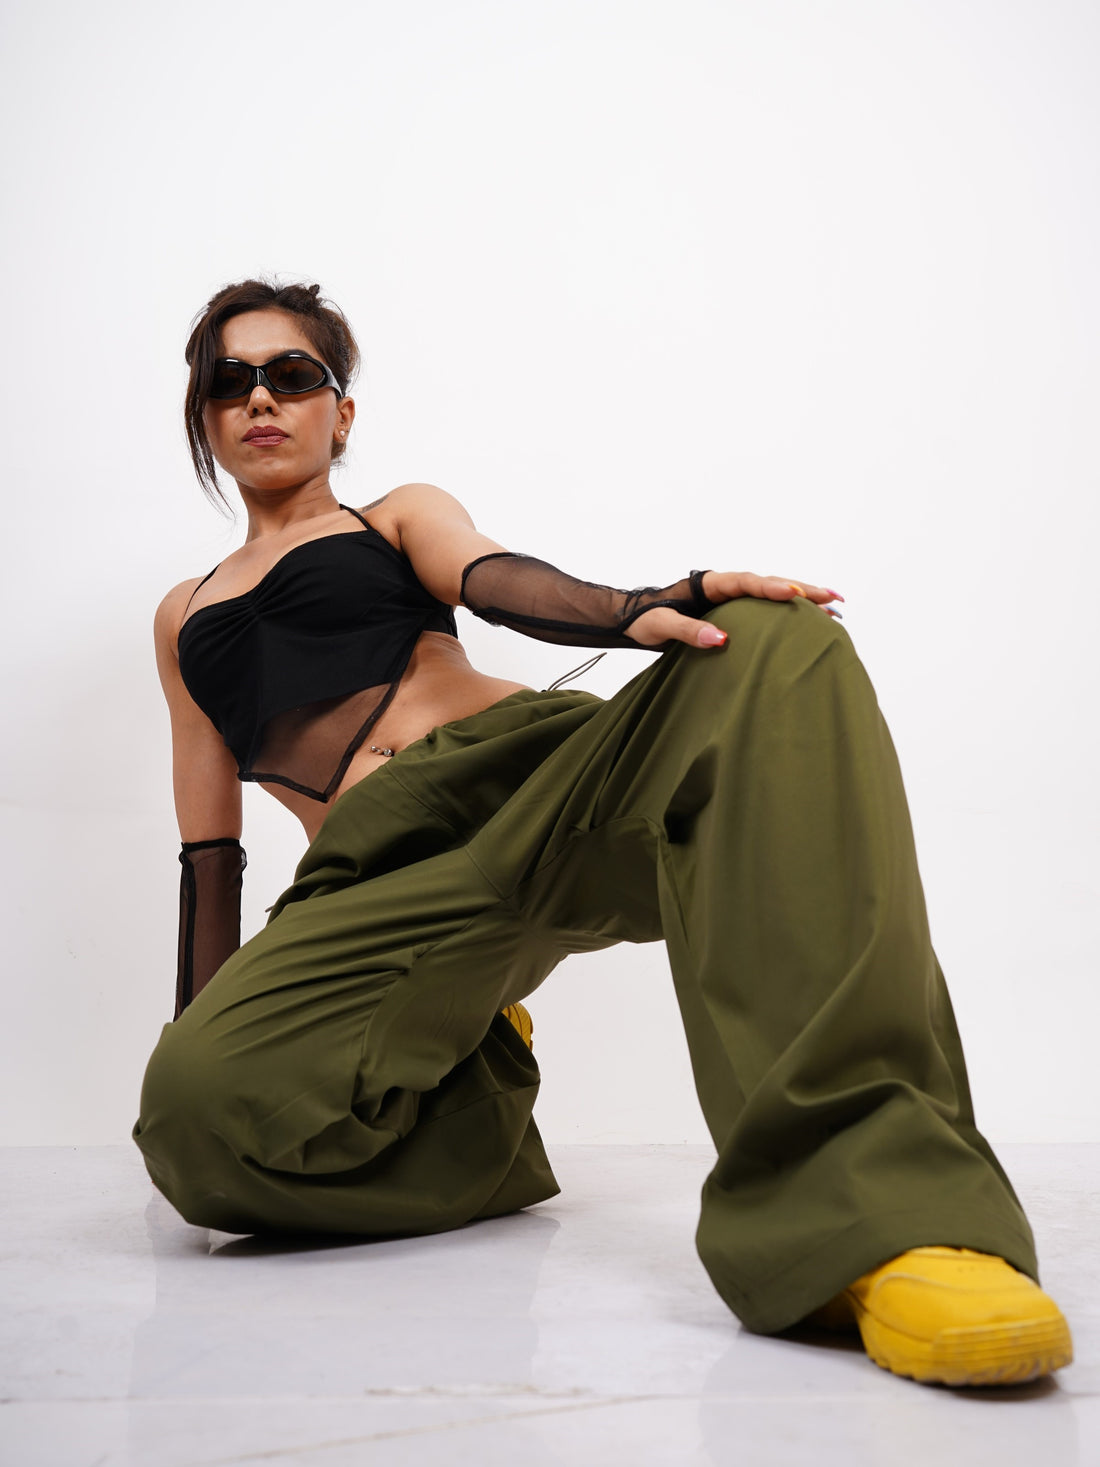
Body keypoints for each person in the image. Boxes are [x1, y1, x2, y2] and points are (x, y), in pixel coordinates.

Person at [133, 277, 1072, 1389]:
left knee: (773, 641)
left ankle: (889, 1225)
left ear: (340, 412)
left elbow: (490, 577)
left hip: (531, 787)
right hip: (375, 882)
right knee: (192, 1126)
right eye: (228, 381)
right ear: (202, 416)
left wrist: (644, 605)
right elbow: (210, 856)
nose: (259, 398)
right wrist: (202, 1032)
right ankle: (472, 1093)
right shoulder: (183, 617)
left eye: (292, 375)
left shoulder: (389, 518)